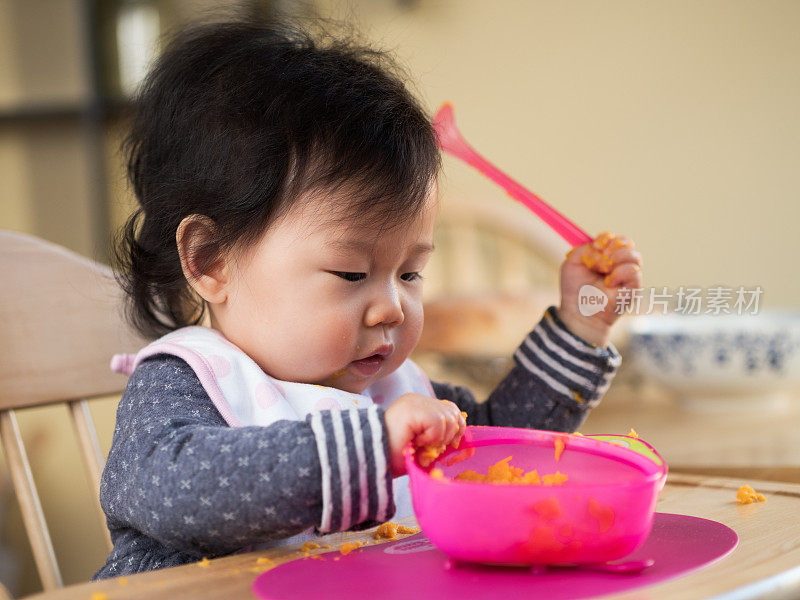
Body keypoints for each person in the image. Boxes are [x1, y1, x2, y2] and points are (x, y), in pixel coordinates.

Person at [93, 16, 642, 579]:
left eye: (410, 273)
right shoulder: (191, 382)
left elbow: (504, 447)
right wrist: (370, 448)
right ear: (210, 260)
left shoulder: (392, 391)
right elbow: (176, 489)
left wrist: (582, 326)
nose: (392, 308)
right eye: (351, 273)